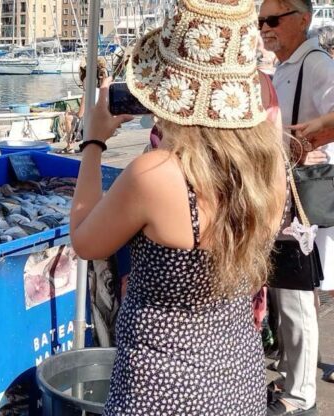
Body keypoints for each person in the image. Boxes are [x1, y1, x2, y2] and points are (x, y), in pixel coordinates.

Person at [70, 0, 287, 414]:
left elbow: (84, 240)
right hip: (238, 380)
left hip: (161, 391)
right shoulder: (267, 167)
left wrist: (93, 143)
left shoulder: (156, 174)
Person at [261, 0, 334, 412]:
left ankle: (301, 393)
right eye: (260, 21)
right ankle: (292, 378)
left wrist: (316, 138)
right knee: (284, 294)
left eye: (272, 20)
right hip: (280, 196)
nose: (264, 28)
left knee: (296, 296)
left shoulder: (317, 64)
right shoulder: (286, 67)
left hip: (300, 201)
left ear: (302, 20)